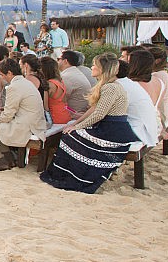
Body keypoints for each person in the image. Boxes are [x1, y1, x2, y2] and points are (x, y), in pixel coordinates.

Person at [40, 53, 138, 193]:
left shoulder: (110, 87)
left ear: (102, 69)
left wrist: (76, 126)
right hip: (108, 127)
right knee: (70, 134)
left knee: (70, 137)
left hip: (112, 130)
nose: (91, 67)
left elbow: (99, 113)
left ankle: (75, 175)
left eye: (94, 65)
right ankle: (71, 173)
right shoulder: (107, 85)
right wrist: (76, 122)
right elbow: (93, 109)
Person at [0, 58, 47, 171]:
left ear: (10, 73)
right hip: (33, 122)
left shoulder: (14, 86)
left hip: (25, 125)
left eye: (2, 75)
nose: (2, 78)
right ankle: (8, 157)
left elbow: (7, 115)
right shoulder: (25, 82)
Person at [116, 60, 159, 148]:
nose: (92, 67)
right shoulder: (129, 83)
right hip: (146, 129)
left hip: (138, 133)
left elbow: (102, 113)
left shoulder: (118, 85)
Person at [58, 50, 91, 117]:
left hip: (74, 114)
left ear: (65, 61)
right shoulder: (74, 72)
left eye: (58, 59)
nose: (57, 61)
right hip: (79, 111)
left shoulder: (67, 76)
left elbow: (59, 98)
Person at [40, 56, 71, 125]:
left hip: (55, 118)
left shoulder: (48, 84)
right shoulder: (60, 81)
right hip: (65, 115)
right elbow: (65, 102)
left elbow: (46, 107)